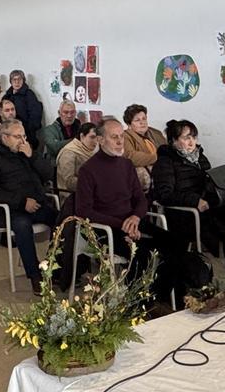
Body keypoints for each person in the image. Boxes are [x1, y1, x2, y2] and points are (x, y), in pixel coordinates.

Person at [76, 119, 185, 305]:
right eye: (114, 137)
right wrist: (123, 225)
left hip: (132, 221)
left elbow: (140, 199)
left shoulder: (126, 165)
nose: (120, 141)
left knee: (175, 242)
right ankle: (136, 304)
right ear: (100, 140)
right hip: (104, 228)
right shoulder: (88, 170)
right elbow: (83, 210)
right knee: (141, 253)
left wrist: (135, 217)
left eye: (122, 136)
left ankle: (159, 297)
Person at [152, 119, 225, 272]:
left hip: (206, 206)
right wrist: (195, 200)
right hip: (184, 213)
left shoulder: (201, 158)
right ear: (174, 141)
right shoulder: (165, 162)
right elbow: (164, 195)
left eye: (194, 137)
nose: (191, 142)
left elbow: (210, 184)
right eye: (186, 137)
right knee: (222, 225)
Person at [0, 120, 57, 293]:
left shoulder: (25, 152)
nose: (22, 141)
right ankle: (35, 275)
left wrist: (33, 156)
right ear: (4, 137)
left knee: (62, 218)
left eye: (24, 136)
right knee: (22, 225)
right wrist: (21, 202)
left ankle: (54, 264)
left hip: (35, 205)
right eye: (18, 137)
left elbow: (49, 174)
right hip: (5, 210)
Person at [121, 104, 167, 191]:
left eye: (144, 118)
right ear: (129, 124)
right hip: (145, 176)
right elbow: (131, 156)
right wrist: (157, 158)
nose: (142, 122)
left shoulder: (156, 133)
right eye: (137, 120)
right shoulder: (125, 136)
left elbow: (168, 150)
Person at [3, 70, 44, 150]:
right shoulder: (7, 96)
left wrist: (26, 129)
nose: (17, 82)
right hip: (10, 132)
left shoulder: (29, 94)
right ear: (11, 82)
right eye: (14, 80)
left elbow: (35, 115)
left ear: (23, 80)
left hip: (26, 133)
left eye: (19, 79)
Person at [56, 122, 98, 198]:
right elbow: (69, 182)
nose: (95, 141)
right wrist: (93, 182)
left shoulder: (90, 151)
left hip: (90, 192)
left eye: (97, 138)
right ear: (82, 136)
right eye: (92, 137)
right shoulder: (69, 153)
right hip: (72, 196)